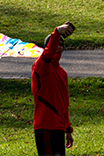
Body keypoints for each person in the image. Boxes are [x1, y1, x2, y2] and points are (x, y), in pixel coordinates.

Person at [31, 22, 76, 155]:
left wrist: (67, 128)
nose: (59, 47)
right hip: (45, 125)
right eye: (56, 44)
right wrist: (56, 32)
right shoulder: (41, 66)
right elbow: (48, 53)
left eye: (61, 45)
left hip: (59, 126)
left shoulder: (62, 72)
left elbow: (64, 102)